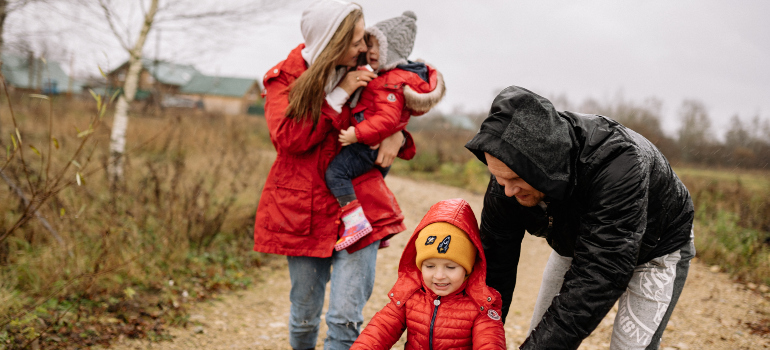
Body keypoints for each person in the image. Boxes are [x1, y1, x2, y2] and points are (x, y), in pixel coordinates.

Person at [464, 86, 696, 350]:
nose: (507, 190)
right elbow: (495, 267)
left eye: (515, 179)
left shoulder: (618, 164)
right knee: (540, 335)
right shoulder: (508, 177)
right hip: (577, 241)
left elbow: (600, 273)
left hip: (657, 247)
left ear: (544, 165)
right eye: (498, 178)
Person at [253, 1, 415, 349]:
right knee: (305, 314)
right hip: (303, 211)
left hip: (360, 208)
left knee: (345, 318)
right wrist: (339, 94)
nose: (364, 47)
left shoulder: (368, 68)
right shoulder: (284, 78)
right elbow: (290, 139)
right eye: (356, 40)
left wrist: (397, 132)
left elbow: (400, 96)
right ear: (332, 40)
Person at [325, 11, 446, 251]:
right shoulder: (386, 77)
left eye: (377, 46)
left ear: (393, 50)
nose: (370, 51)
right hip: (372, 144)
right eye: (369, 44)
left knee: (336, 174)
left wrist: (357, 134)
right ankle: (381, 230)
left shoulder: (389, 81)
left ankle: (356, 224)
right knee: (366, 184)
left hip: (366, 145)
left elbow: (387, 120)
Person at [350, 198, 506, 350]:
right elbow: (378, 332)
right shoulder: (410, 295)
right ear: (419, 266)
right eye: (430, 266)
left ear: (468, 267)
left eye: (450, 267)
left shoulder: (481, 305)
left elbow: (490, 343)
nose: (438, 275)